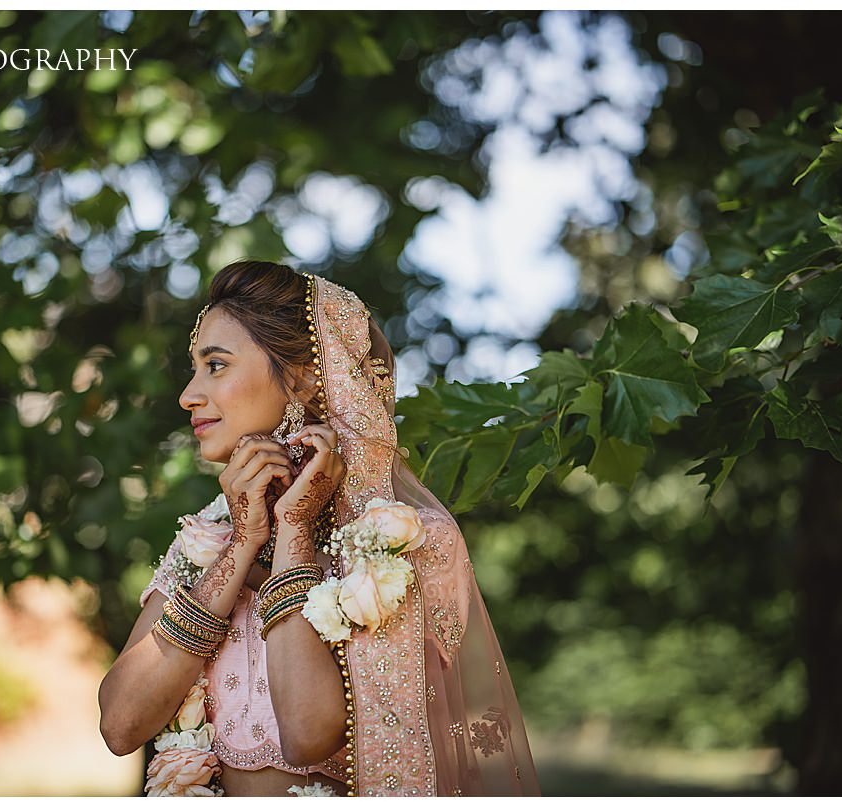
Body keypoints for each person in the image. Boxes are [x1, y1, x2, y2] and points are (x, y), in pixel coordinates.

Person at [98, 260, 540, 796]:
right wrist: (242, 544)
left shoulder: (402, 543)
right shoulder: (212, 536)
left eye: (216, 365)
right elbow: (121, 726)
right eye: (195, 368)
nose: (188, 394)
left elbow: (309, 733)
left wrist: (294, 531)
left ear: (305, 376)